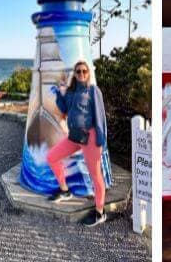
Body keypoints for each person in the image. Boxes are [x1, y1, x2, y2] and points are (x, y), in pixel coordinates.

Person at [46, 60, 109, 227]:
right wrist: (60, 92)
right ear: (75, 74)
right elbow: (63, 108)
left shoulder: (93, 90)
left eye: (84, 71)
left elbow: (100, 117)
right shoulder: (72, 92)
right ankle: (65, 190)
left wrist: (100, 141)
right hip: (75, 136)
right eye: (78, 71)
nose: (81, 74)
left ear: (89, 73)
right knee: (52, 157)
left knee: (95, 175)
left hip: (91, 137)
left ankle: (100, 212)